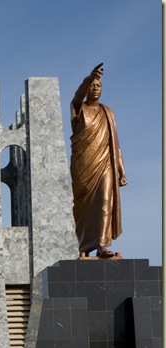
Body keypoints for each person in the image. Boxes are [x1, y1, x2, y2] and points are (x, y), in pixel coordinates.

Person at [70, 63, 127, 258]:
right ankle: (85, 246)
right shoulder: (79, 109)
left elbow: (115, 144)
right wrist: (89, 78)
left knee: (105, 199)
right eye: (92, 86)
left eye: (98, 86)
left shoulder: (108, 113)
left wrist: (122, 171)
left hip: (105, 164)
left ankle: (102, 244)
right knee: (84, 208)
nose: (95, 89)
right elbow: (77, 97)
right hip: (84, 166)